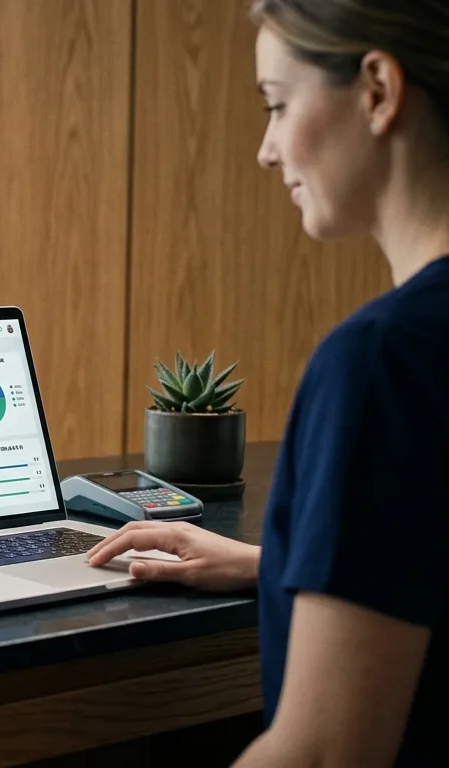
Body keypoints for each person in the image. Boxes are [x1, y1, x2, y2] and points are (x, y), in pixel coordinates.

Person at [86, 1, 449, 764]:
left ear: (379, 90)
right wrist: (286, 564)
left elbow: (323, 753)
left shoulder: (384, 360)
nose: (265, 148)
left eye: (278, 105)